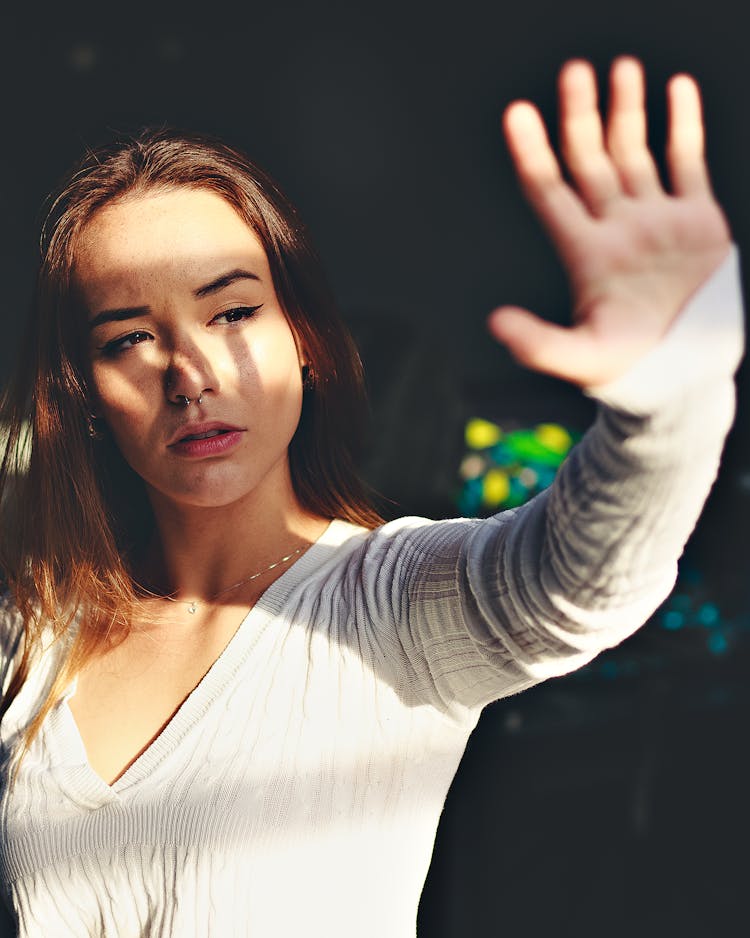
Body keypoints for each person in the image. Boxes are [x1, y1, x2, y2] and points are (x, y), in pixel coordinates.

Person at [0, 56, 742, 937]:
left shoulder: (388, 604)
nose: (190, 375)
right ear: (81, 391)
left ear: (303, 337)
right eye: (128, 338)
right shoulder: (38, 628)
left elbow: (577, 582)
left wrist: (670, 393)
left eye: (232, 312)